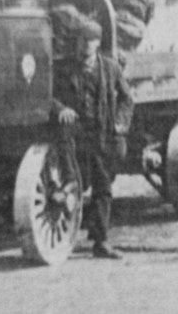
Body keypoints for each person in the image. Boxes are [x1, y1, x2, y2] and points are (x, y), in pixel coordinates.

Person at [52, 19, 134, 259]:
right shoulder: (64, 69)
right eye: (83, 40)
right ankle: (66, 230)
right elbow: (47, 95)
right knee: (73, 179)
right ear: (77, 42)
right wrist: (61, 109)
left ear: (98, 43)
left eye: (91, 40)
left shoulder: (110, 68)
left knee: (103, 187)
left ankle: (101, 241)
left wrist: (120, 123)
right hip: (76, 133)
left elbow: (127, 99)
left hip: (101, 133)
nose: (86, 45)